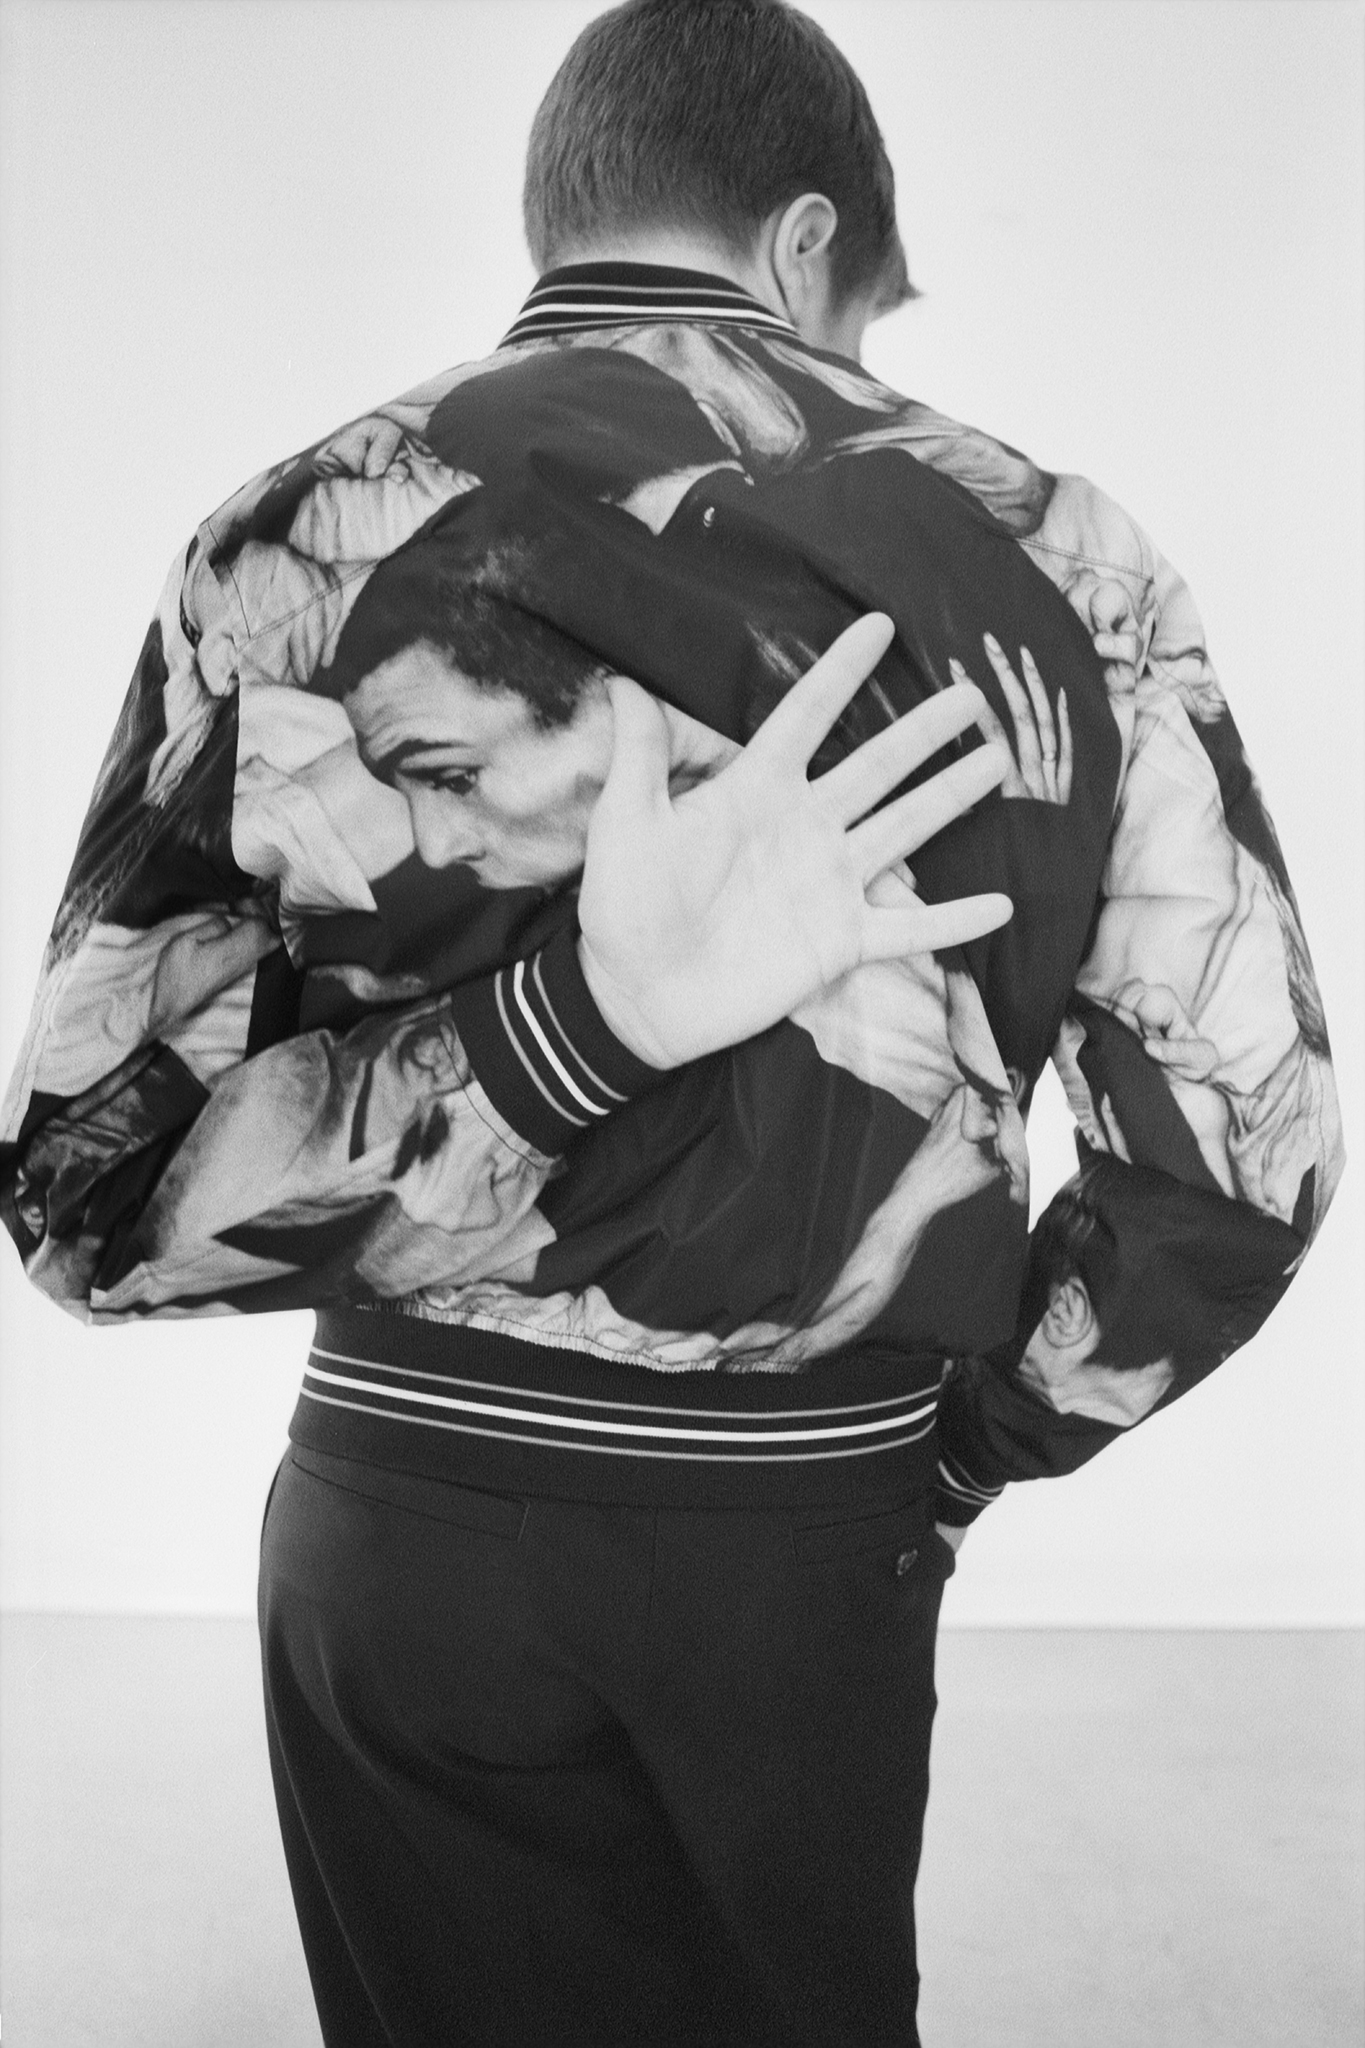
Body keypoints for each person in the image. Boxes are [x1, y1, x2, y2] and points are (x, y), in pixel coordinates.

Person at [0, 2, 1344, 2042]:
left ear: (559, 214)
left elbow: (81, 1204)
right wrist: (949, 1453)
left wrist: (544, 1039)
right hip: (799, 1544)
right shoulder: (1067, 563)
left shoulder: (274, 544)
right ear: (806, 244)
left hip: (398, 1529)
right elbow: (1245, 1160)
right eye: (867, 312)